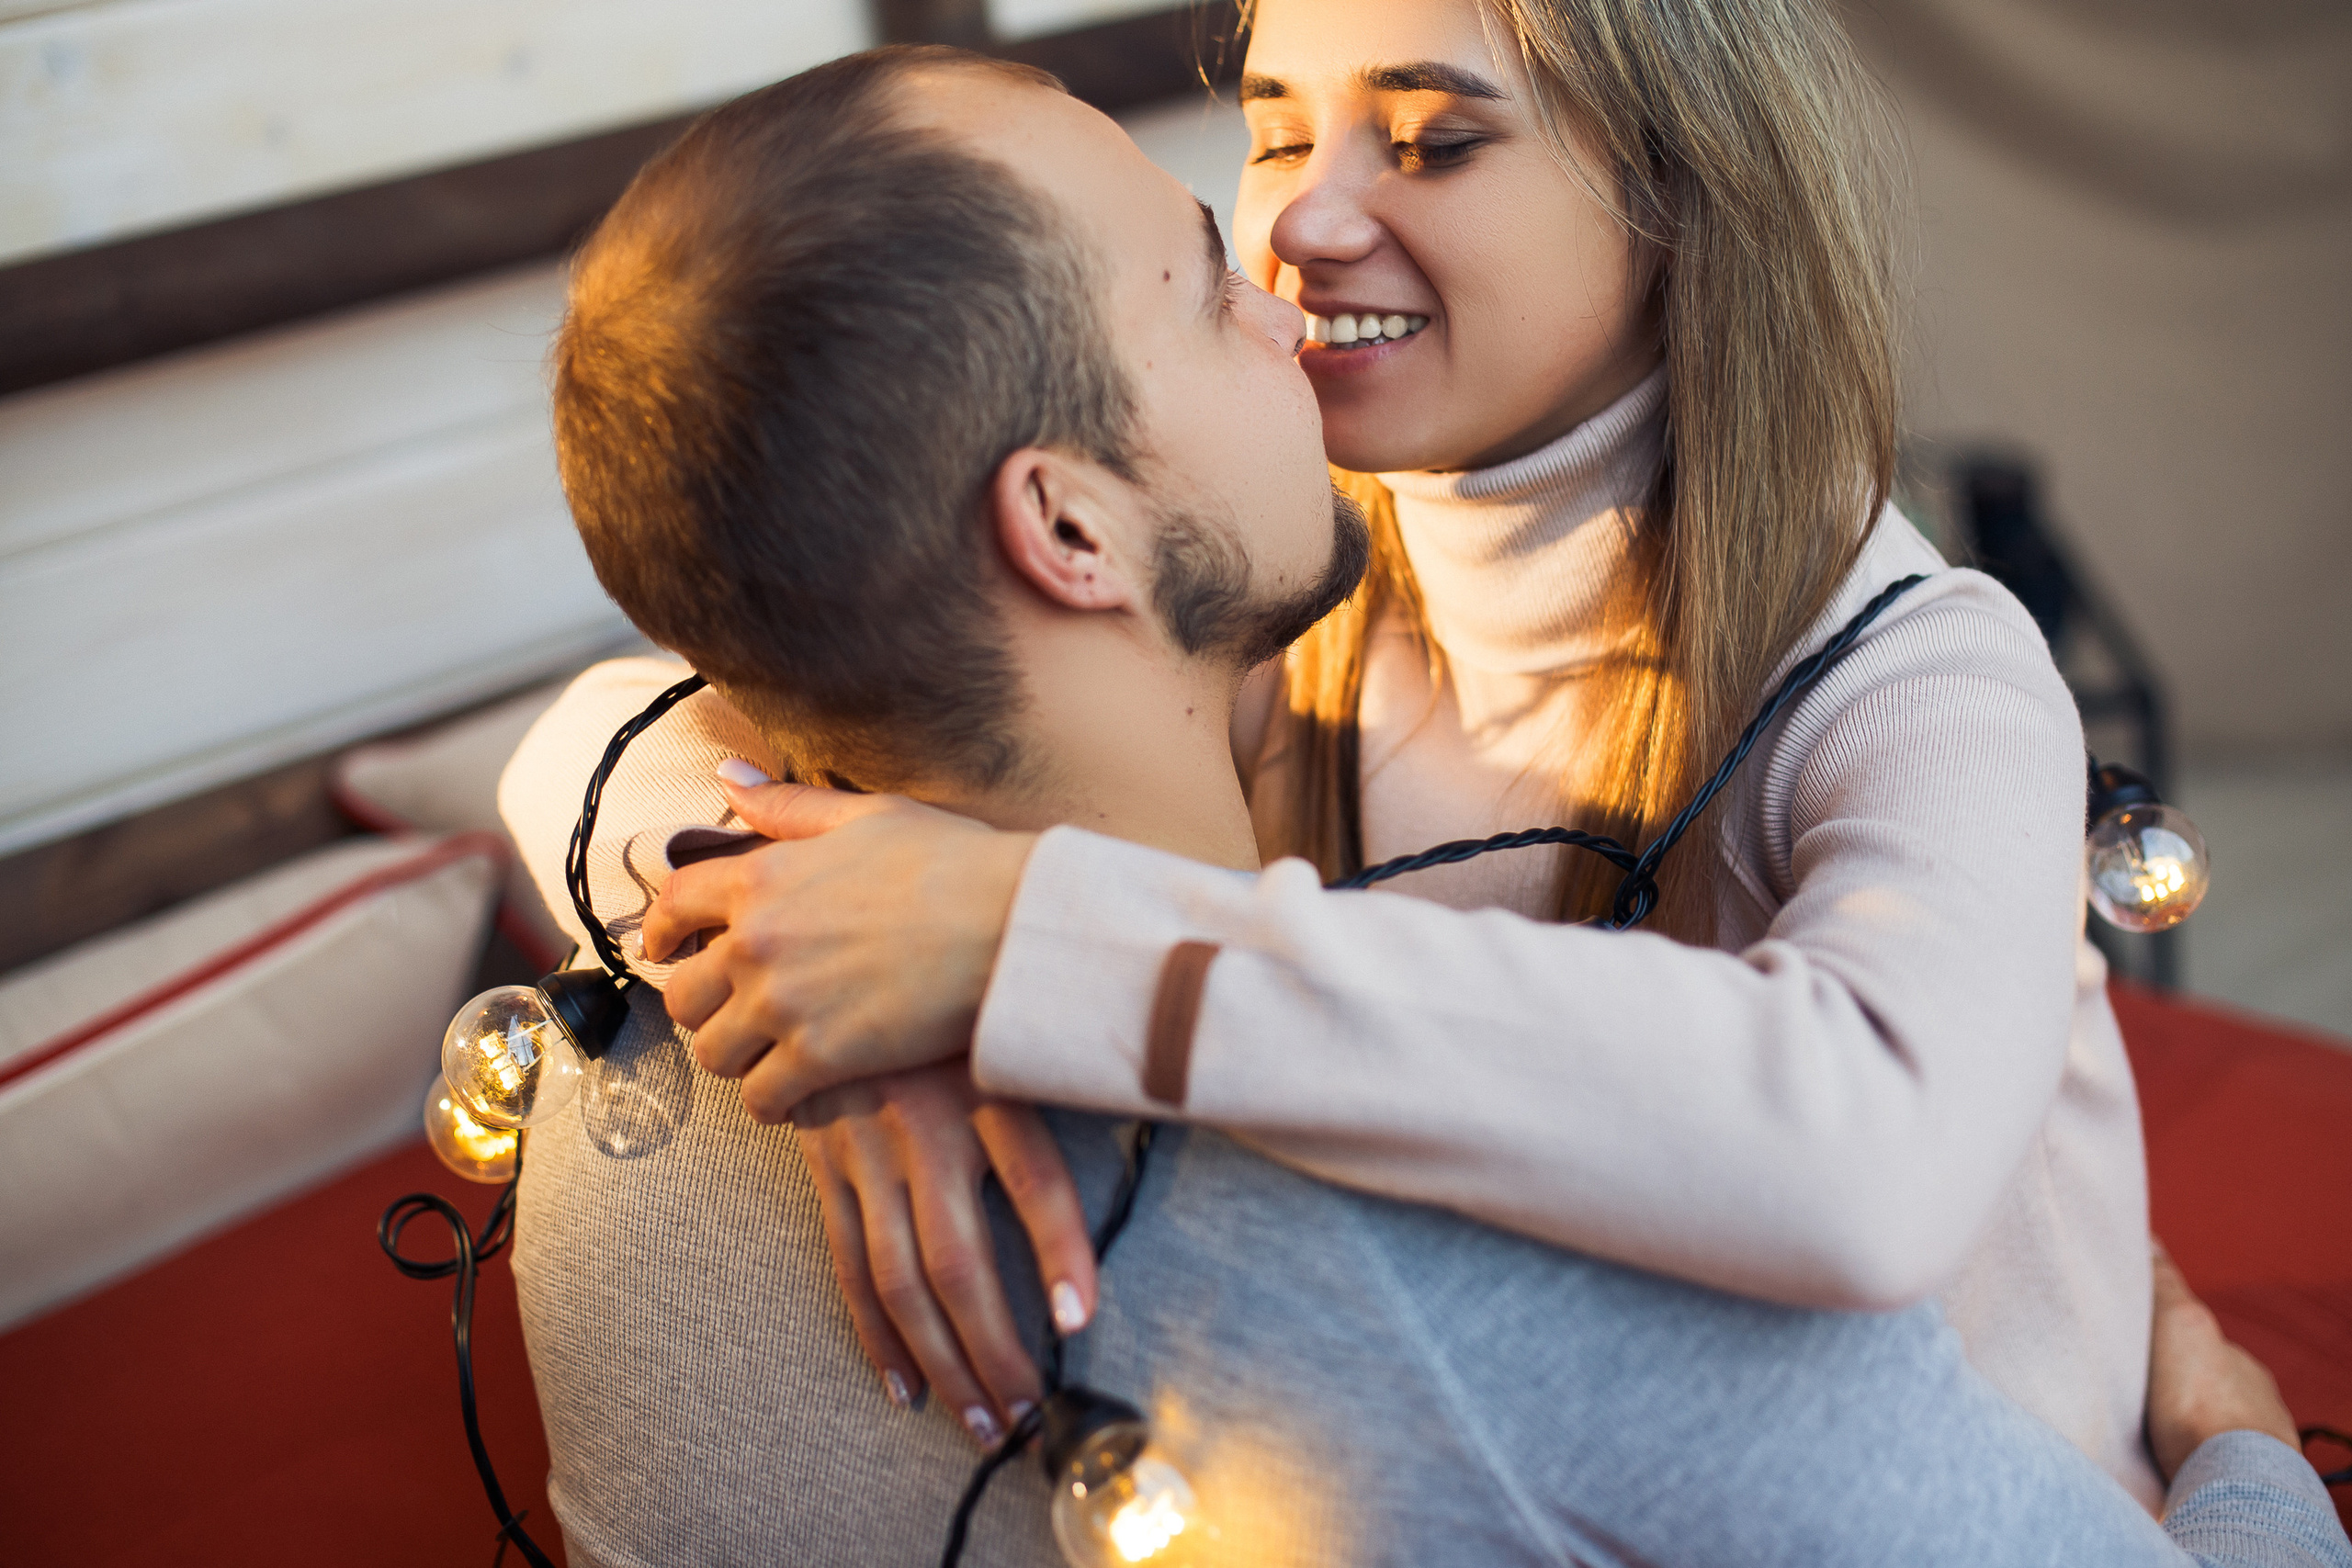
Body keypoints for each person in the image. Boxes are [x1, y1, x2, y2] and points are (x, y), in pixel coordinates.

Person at [497, 42, 2350, 1567]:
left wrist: (1009, 939)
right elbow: (601, 722)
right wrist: (819, 966)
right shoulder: (1291, 602)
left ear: (1678, 189)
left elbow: (1870, 1157)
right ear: (1070, 527)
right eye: (1271, 129)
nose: (1295, 227)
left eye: (1434, 139)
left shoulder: (1906, 676)